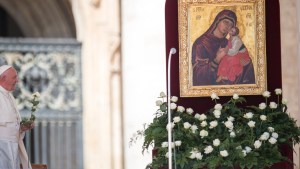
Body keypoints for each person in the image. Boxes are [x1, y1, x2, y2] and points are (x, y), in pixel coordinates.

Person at [192, 9, 255, 85]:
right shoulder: (202, 43)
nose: (227, 26)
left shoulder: (229, 42)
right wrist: (217, 60)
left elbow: (242, 57)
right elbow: (198, 75)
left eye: (231, 25)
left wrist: (246, 65)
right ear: (218, 21)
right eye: (225, 22)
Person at [0, 65, 33, 169]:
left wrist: (22, 128)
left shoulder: (10, 96)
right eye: (14, 77)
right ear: (3, 78)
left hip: (13, 145)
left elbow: (12, 124)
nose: (17, 81)